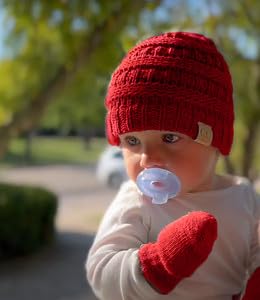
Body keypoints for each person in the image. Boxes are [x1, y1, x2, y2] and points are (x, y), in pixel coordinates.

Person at [86, 31, 260, 300]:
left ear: (214, 139)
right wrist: (157, 264)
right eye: (132, 140)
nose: (147, 159)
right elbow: (101, 272)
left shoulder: (243, 196)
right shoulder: (136, 201)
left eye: (169, 138)